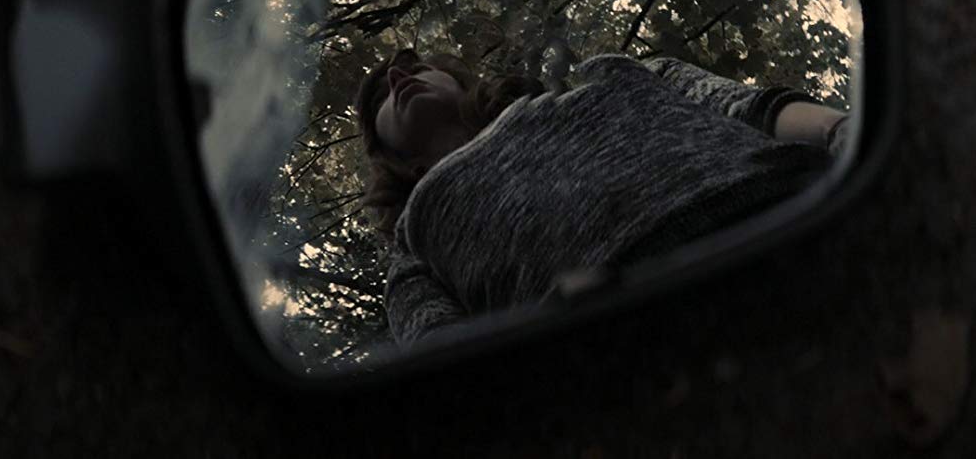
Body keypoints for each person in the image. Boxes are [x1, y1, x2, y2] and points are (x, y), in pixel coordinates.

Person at [351, 48, 853, 347]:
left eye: (416, 66)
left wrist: (840, 131)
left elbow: (750, 108)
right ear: (392, 157)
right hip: (630, 346)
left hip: (797, 218)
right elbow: (447, 358)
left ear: (459, 80)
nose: (398, 77)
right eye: (382, 99)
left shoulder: (613, 73)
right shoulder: (415, 245)